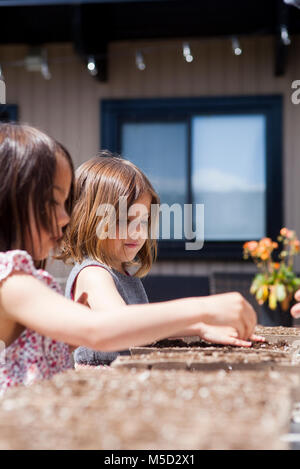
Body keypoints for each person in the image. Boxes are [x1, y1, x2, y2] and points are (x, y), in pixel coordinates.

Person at [0, 123, 258, 396]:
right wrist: (201, 309)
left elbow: (117, 328)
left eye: (66, 204)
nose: (65, 217)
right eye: (53, 202)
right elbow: (102, 328)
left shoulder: (32, 282)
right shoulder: (13, 281)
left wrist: (198, 326)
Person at [60, 154, 263, 368]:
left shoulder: (120, 272)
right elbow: (122, 325)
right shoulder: (93, 273)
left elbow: (144, 327)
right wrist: (201, 310)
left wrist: (199, 327)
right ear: (91, 219)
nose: (138, 232)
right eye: (126, 220)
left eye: (144, 220)